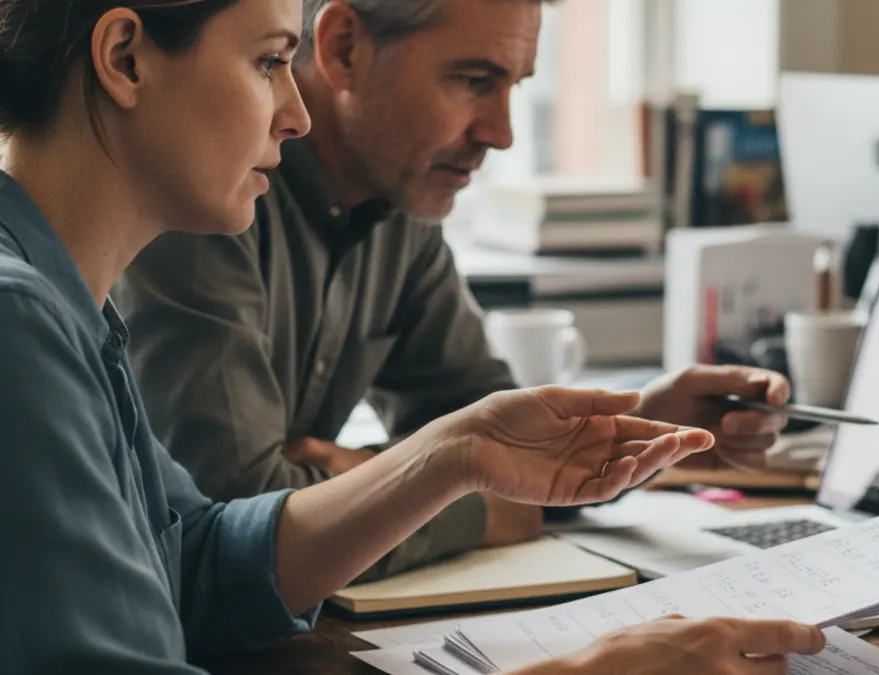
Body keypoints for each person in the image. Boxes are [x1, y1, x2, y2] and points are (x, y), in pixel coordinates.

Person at [0, 1, 830, 673]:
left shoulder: (73, 310)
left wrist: (453, 452)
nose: (293, 113)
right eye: (267, 61)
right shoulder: (21, 325)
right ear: (125, 59)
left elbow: (196, 562)